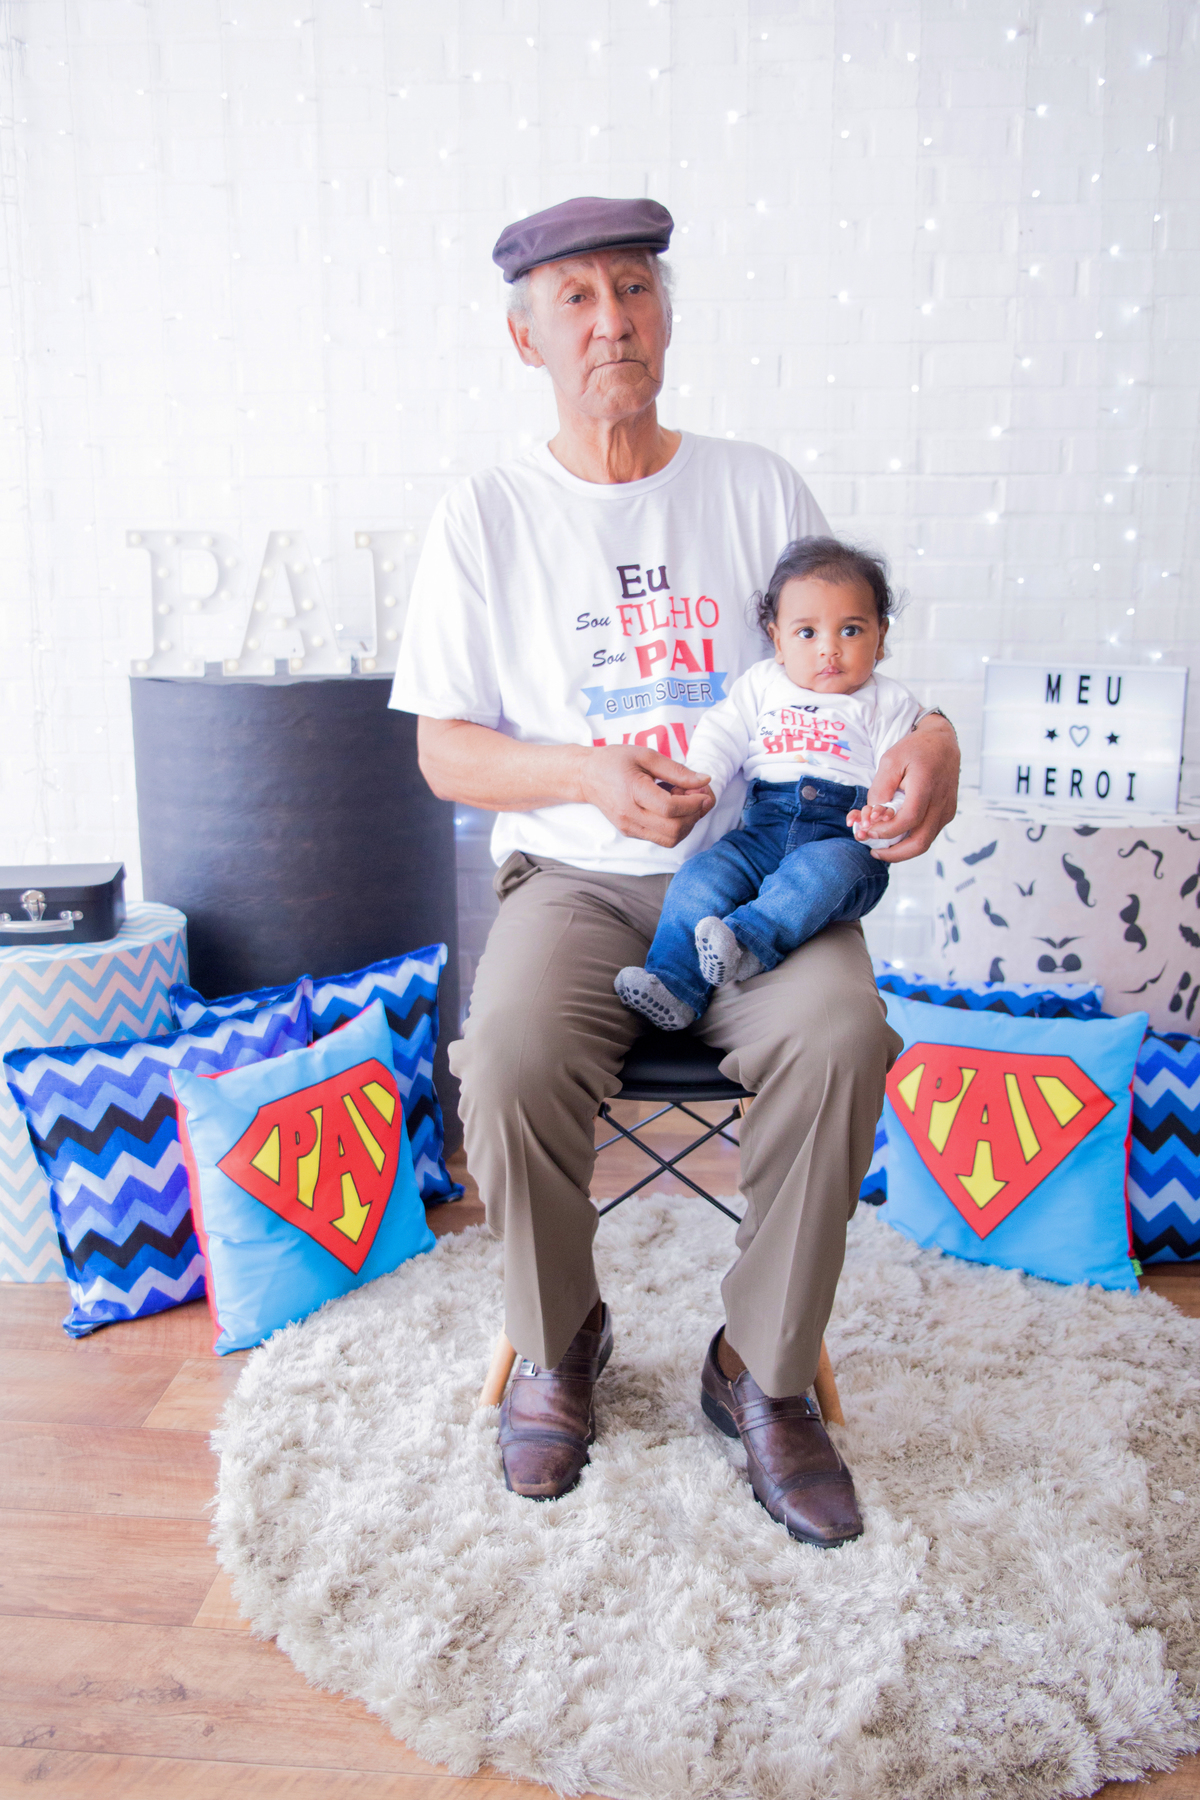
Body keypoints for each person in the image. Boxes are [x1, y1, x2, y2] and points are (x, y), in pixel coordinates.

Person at [390, 195, 959, 1548]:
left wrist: (933, 743)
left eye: (634, 289)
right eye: (576, 300)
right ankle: (558, 1342)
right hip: (575, 887)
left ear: (667, 311)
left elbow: (864, 668)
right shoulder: (485, 513)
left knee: (841, 1035)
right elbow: (444, 756)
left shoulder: (758, 486)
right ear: (524, 337)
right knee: (511, 1049)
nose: (613, 321)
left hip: (765, 871)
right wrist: (589, 774)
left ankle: (759, 1376)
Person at [615, 535, 920, 1032]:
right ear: (777, 640)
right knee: (699, 879)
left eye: (850, 629)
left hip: (843, 835)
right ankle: (673, 986)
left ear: (881, 638)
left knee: (816, 878)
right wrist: (702, 780)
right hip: (761, 829)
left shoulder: (888, 701)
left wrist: (888, 815)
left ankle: (749, 943)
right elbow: (722, 731)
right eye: (806, 633)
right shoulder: (761, 684)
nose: (829, 649)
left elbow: (901, 773)